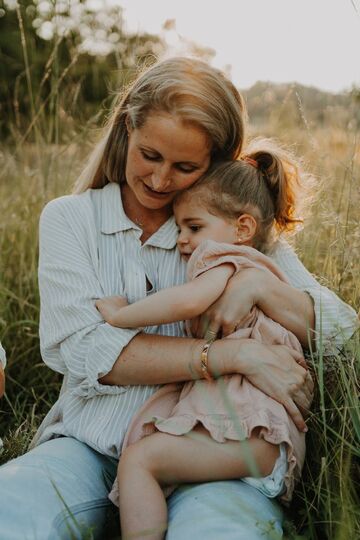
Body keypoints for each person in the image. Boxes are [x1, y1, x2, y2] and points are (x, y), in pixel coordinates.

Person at [0, 57, 357, 540]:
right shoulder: (71, 219)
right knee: (15, 510)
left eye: (186, 166)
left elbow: (344, 333)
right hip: (89, 443)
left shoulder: (226, 229)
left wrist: (262, 287)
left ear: (216, 161)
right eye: (150, 155)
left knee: (221, 531)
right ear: (128, 128)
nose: (161, 180)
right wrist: (232, 355)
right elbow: (83, 349)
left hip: (210, 446)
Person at [96, 147, 310, 539]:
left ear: (243, 228)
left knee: (139, 461)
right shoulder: (258, 264)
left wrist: (121, 315)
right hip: (257, 433)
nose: (182, 240)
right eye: (179, 229)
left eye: (193, 227)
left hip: (253, 433)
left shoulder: (223, 258)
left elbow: (189, 300)